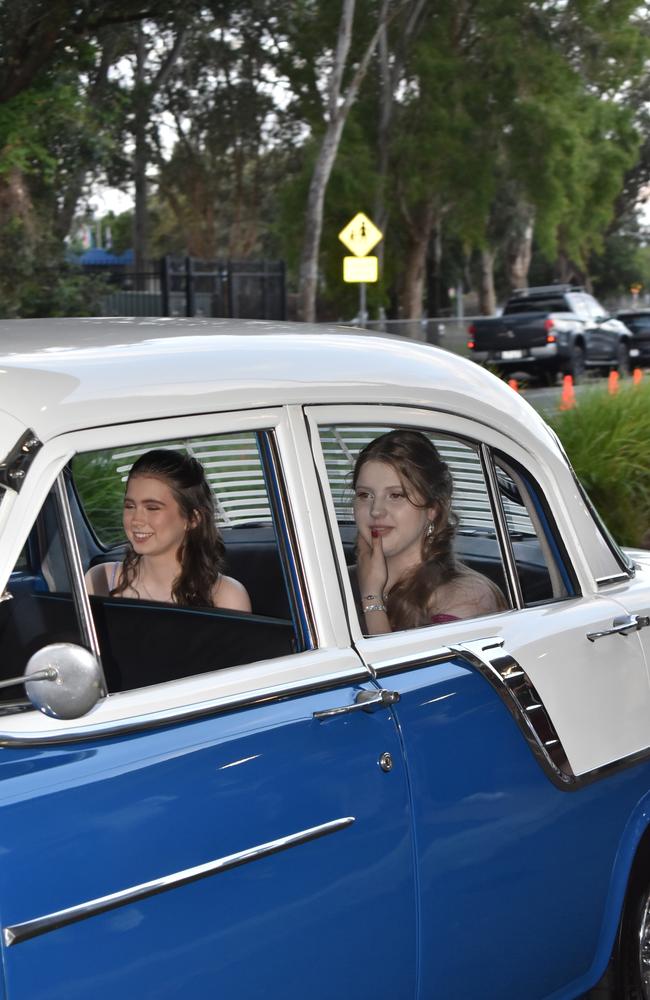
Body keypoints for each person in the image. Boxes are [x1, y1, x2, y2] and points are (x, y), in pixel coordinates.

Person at [352, 429, 506, 635]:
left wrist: (371, 598)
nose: (376, 510)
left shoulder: (466, 596)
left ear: (432, 508)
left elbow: (402, 668)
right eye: (365, 495)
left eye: (396, 495)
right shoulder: (331, 582)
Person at [85, 448, 251, 612]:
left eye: (152, 508)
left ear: (193, 519)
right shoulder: (101, 580)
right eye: (130, 506)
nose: (136, 519)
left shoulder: (226, 596)